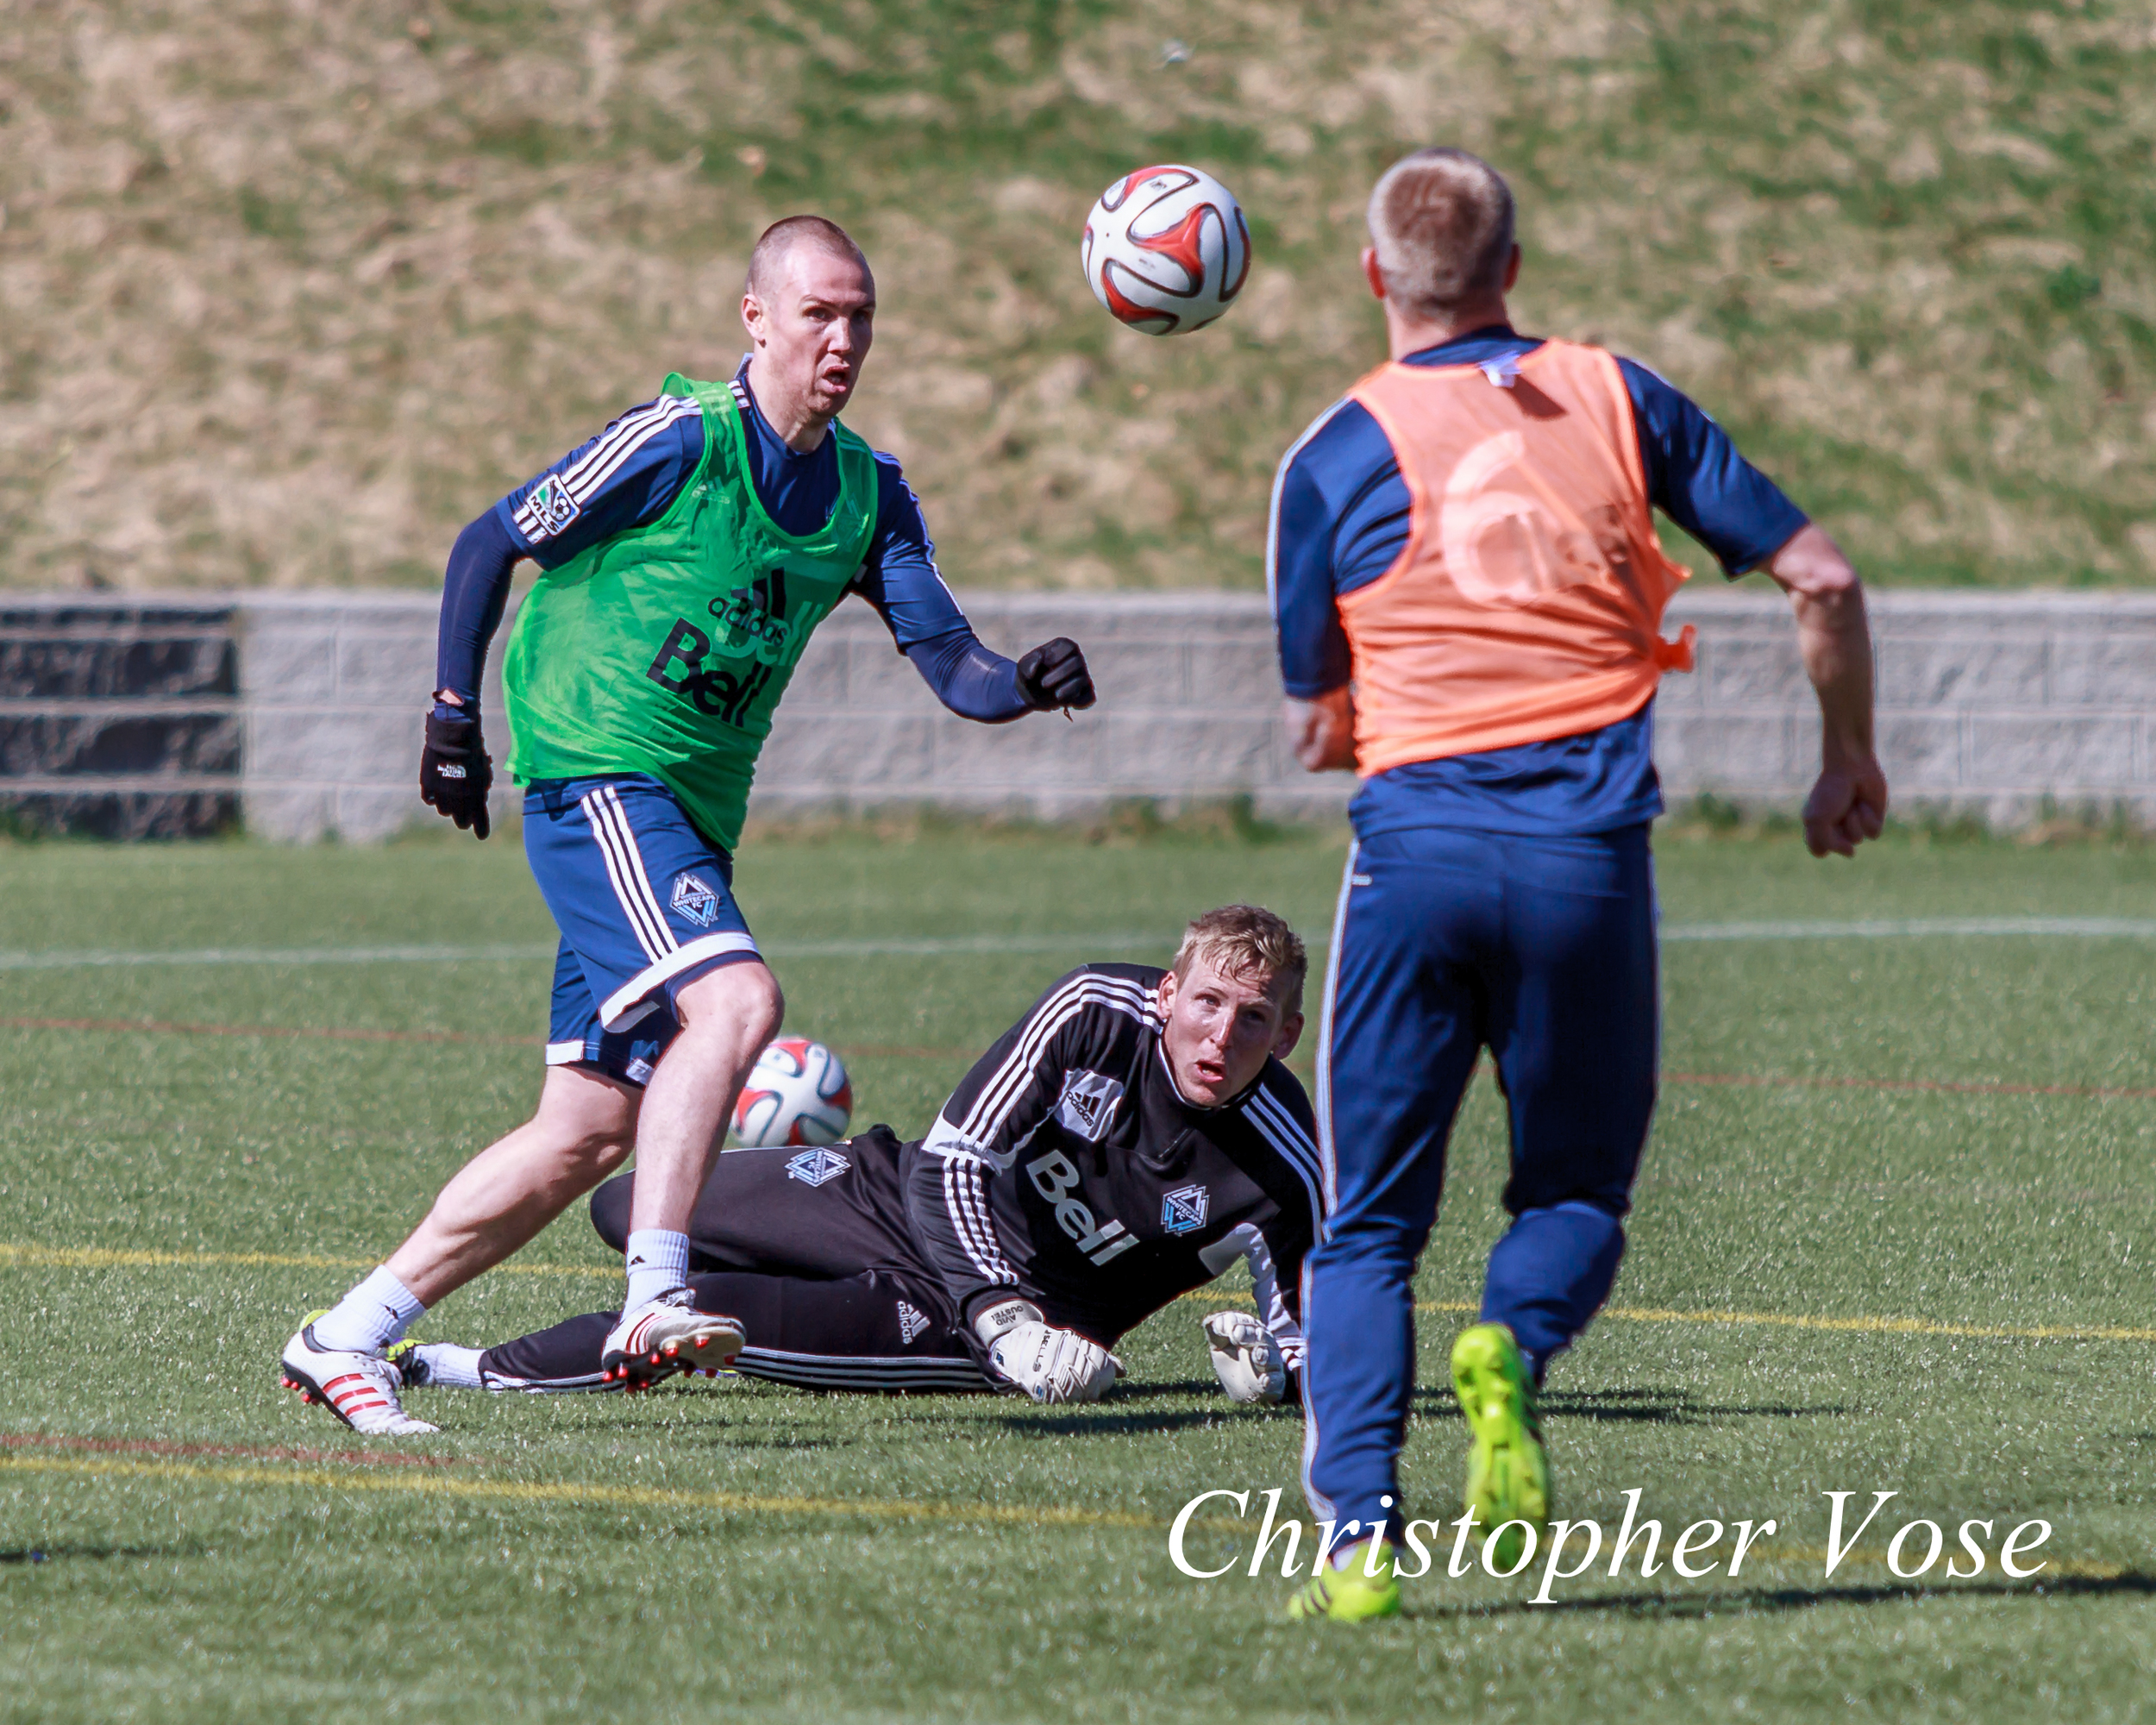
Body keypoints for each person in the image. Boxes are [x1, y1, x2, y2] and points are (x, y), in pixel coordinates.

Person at [279, 216, 1097, 1435]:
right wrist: (452, 713)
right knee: (739, 1004)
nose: (844, 338)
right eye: (819, 311)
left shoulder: (868, 495)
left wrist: (1021, 684)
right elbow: (491, 538)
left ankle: (345, 1335)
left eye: (861, 315)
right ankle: (656, 1291)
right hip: (599, 775)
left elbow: (951, 662)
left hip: (687, 820)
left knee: (584, 1132)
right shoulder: (680, 439)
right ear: (755, 316)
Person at [1269, 149, 1887, 1621]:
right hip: (1586, 866)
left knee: (1364, 1228)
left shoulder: (1333, 451)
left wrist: (1383, 706)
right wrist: (1846, 757)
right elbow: (1823, 577)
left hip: (1414, 862)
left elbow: (1313, 724)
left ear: (1376, 278)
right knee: (1575, 1192)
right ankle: (1515, 1346)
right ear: (1514, 270)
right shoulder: (1619, 397)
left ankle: (1358, 1544)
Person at [384, 907, 1325, 1414]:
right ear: (1168, 993)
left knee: (712, 1317)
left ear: (1285, 1034)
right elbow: (952, 1160)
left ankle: (445, 1368)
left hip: (995, 1332)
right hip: (897, 1200)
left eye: (1251, 1019)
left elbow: (1313, 1338)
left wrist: (1274, 1376)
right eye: (1206, 1002)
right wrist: (1000, 1311)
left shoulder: (1284, 1164)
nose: (1220, 1034)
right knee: (629, 1207)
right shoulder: (1093, 1009)